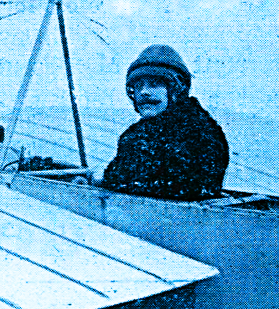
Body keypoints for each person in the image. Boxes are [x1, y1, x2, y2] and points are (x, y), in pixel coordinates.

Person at [98, 45, 229, 201]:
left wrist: (106, 181)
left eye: (154, 84)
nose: (144, 92)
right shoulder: (134, 135)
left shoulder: (200, 134)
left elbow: (183, 188)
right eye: (138, 86)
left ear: (177, 89)